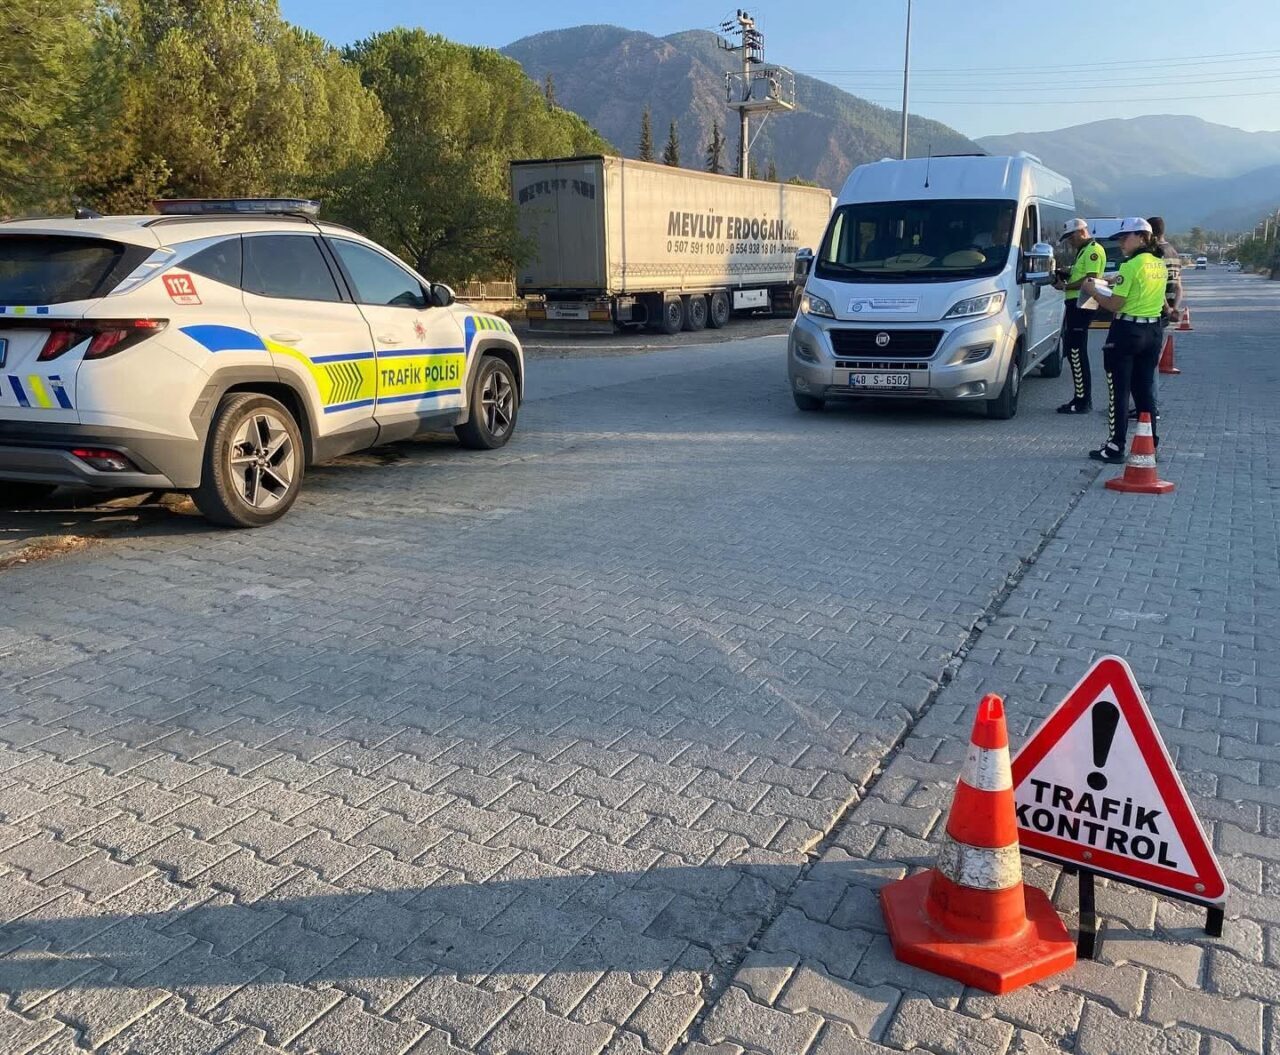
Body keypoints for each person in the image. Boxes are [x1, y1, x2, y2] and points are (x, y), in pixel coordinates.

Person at [1079, 217, 1168, 463]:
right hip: (1153, 331)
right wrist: (1112, 280)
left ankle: (1115, 446)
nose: (1121, 243)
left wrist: (1092, 291)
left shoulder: (1130, 266)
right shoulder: (1158, 264)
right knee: (1144, 390)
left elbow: (1114, 304)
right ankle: (1150, 443)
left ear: (1142, 237)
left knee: (1119, 390)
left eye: (1125, 237)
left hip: (1127, 331)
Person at [1052, 218, 1106, 413]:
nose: (1070, 241)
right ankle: (1080, 398)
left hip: (1081, 305)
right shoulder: (1083, 251)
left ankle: (1082, 401)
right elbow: (1080, 274)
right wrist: (1065, 272)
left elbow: (1091, 279)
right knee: (1074, 351)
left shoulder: (1093, 250)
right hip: (1076, 304)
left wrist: (1066, 286)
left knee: (1076, 352)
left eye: (1071, 236)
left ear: (1081, 232)